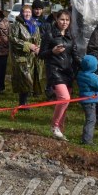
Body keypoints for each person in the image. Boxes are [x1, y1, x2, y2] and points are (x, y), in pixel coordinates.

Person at [40, 8, 77, 141]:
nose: (65, 22)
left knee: (65, 103)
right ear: (57, 19)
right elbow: (41, 54)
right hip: (55, 71)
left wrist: (85, 67)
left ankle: (60, 128)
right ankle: (55, 126)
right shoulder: (49, 34)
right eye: (62, 19)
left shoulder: (70, 36)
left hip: (68, 72)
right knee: (64, 98)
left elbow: (75, 55)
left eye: (67, 20)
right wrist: (52, 51)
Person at [9, 4, 43, 110]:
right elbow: (13, 39)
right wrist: (28, 45)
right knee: (24, 80)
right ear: (21, 13)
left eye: (29, 12)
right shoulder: (16, 24)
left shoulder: (34, 24)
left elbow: (38, 38)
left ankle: (25, 102)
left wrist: (38, 48)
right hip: (21, 58)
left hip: (32, 58)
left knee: (31, 80)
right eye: (25, 12)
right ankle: (22, 103)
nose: (27, 14)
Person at [76, 54, 98, 145]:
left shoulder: (81, 74)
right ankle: (87, 140)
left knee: (89, 119)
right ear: (93, 67)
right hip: (90, 101)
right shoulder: (91, 77)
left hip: (85, 99)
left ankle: (86, 138)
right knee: (91, 120)